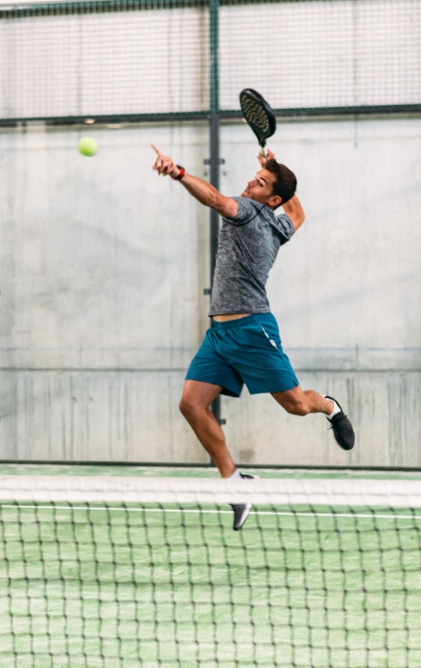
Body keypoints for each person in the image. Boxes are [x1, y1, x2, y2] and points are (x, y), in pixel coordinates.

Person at [151, 144, 355, 530]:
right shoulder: (281, 225)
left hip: (253, 330)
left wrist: (178, 172)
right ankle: (235, 483)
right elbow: (298, 210)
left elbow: (213, 198)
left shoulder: (247, 212)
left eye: (260, 182)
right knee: (192, 404)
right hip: (220, 334)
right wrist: (271, 167)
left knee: (296, 405)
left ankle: (329, 407)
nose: (250, 181)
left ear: (271, 198)